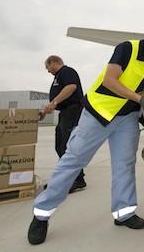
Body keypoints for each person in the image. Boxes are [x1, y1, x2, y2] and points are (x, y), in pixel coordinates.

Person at [28, 18, 144, 245]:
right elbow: (110, 80)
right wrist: (139, 99)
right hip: (99, 114)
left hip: (127, 119)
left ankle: (124, 213)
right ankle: (41, 214)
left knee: (124, 164)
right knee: (74, 160)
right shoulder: (127, 48)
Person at [40, 55, 86, 193]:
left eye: (47, 67)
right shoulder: (58, 76)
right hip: (65, 113)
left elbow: (71, 87)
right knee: (60, 145)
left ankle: (77, 179)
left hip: (73, 111)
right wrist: (47, 109)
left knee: (68, 146)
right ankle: (65, 177)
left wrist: (54, 102)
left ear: (53, 62)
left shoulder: (67, 71)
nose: (47, 70)